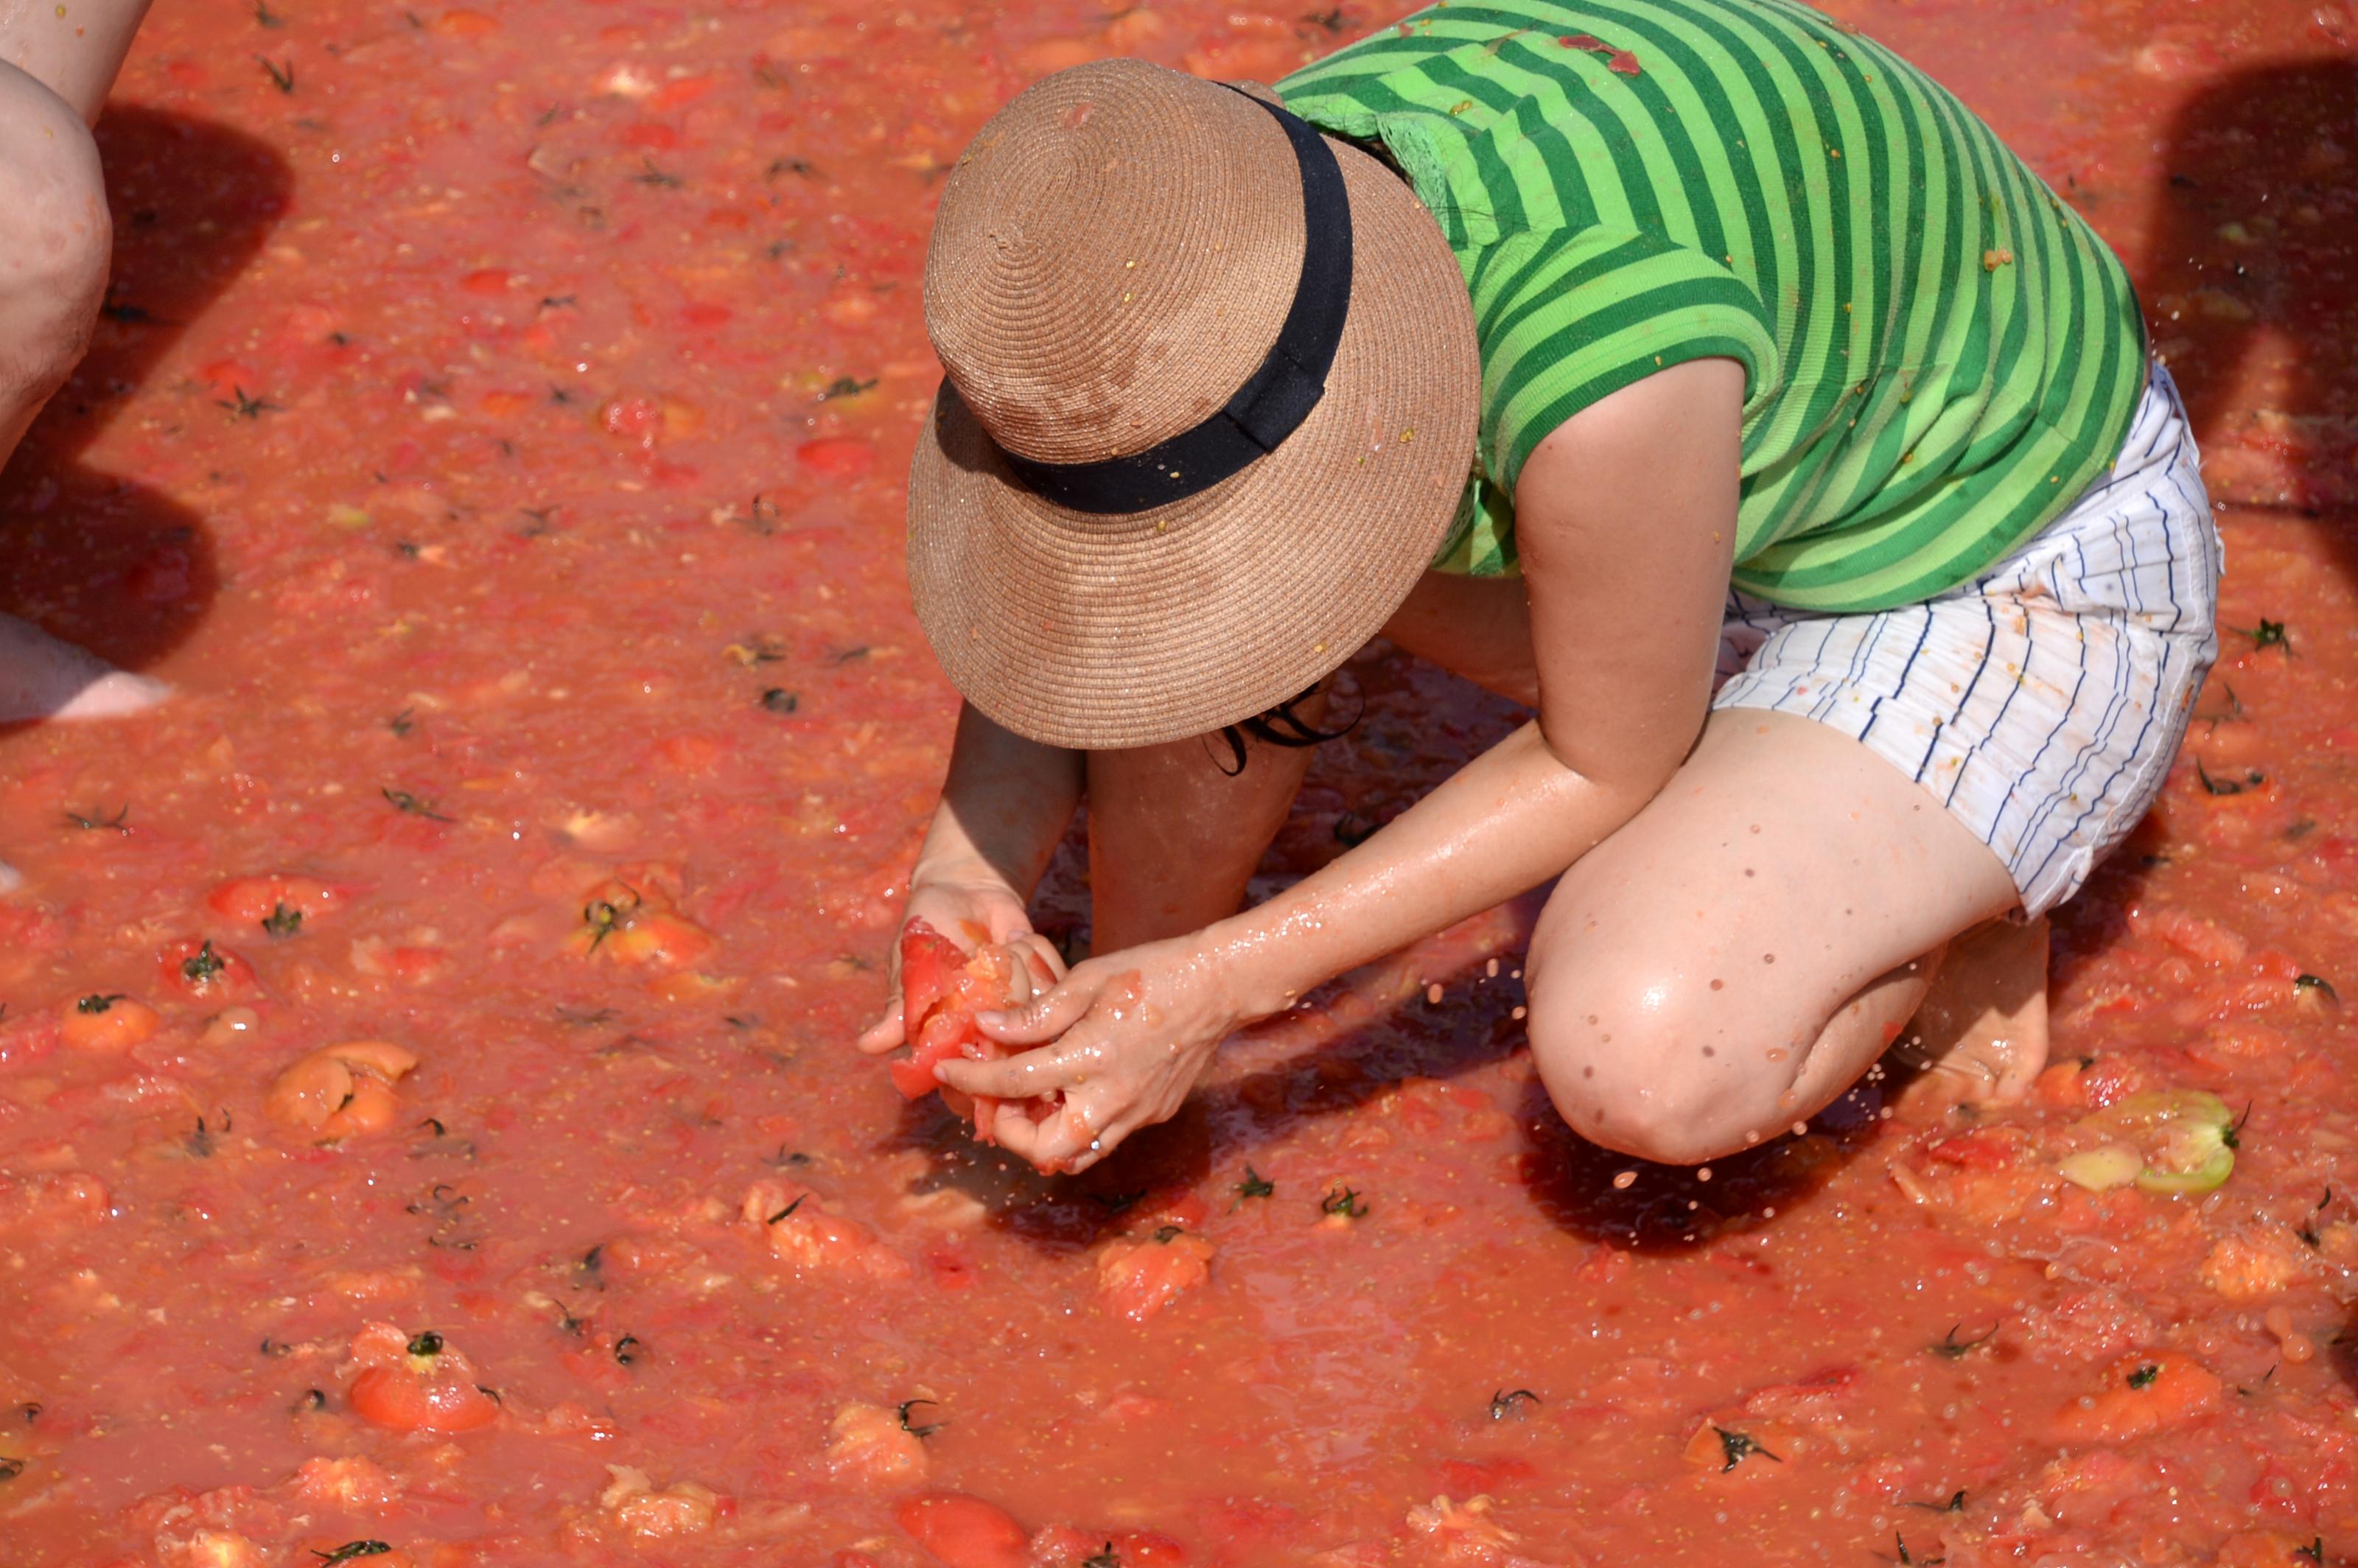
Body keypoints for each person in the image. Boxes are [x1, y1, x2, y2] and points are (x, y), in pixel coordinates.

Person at [861, 0, 2219, 1176]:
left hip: (1998, 556)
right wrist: (963, 871)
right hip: (1724, 473)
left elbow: (1603, 756)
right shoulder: (1196, 229)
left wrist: (1216, 989)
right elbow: (1081, 584)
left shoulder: (1601, 361)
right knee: (1185, 631)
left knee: (1645, 1047)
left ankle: (1953, 893)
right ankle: (1125, 1048)